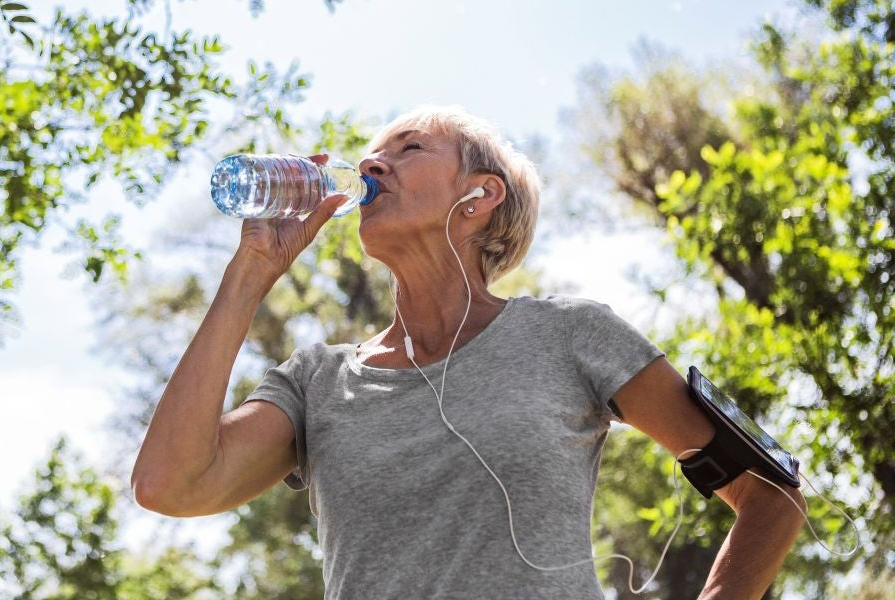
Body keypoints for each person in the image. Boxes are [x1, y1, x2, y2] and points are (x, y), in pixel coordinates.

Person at [131, 105, 806, 599]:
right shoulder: (316, 381)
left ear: (480, 195)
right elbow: (170, 485)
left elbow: (772, 494)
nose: (370, 166)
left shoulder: (570, 334)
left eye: (409, 149)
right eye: (371, 156)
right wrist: (251, 272)